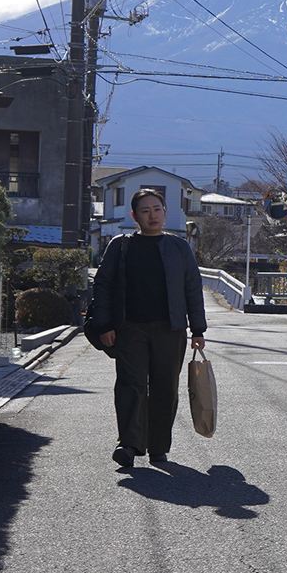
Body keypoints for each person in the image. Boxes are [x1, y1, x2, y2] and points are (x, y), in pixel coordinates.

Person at [85, 187, 207, 471]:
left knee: (166, 388)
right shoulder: (120, 245)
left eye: (157, 209)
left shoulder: (178, 247)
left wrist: (198, 330)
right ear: (134, 215)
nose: (152, 215)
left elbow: (192, 288)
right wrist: (103, 324)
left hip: (171, 329)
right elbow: (103, 286)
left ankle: (158, 446)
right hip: (130, 329)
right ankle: (129, 444)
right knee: (131, 385)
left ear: (165, 212)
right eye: (145, 210)